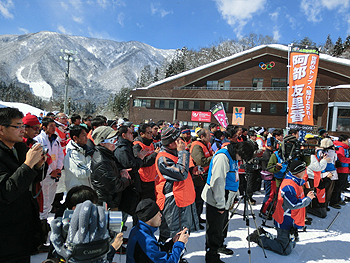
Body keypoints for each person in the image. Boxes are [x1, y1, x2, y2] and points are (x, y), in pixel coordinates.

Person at [0, 107, 46, 262]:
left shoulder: (19, 148)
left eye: (23, 126)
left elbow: (32, 179)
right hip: (5, 234)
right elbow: (7, 191)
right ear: (1, 129)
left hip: (22, 230)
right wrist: (27, 165)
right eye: (17, 126)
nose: (22, 130)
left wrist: (38, 166)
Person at [202, 137, 255, 263]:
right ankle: (212, 257)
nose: (241, 161)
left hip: (225, 197)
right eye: (242, 158)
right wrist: (220, 205)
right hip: (217, 198)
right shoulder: (223, 157)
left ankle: (219, 246)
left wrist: (234, 196)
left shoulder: (232, 156)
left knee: (221, 226)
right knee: (214, 229)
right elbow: (218, 183)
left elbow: (233, 177)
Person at [247, 160, 315, 255]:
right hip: (284, 220)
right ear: (299, 172)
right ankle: (259, 237)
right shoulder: (288, 186)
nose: (305, 172)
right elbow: (292, 205)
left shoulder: (296, 182)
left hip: (291, 220)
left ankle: (265, 234)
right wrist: (308, 199)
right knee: (285, 250)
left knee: (291, 244)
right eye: (304, 170)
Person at [155, 126, 199, 243]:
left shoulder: (176, 153)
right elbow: (180, 173)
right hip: (173, 203)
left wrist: (192, 169)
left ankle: (179, 257)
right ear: (170, 143)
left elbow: (184, 169)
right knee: (172, 234)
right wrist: (183, 152)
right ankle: (168, 258)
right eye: (177, 139)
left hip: (183, 200)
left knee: (183, 233)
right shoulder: (163, 158)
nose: (181, 141)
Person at [126, 198, 189, 263]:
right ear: (149, 218)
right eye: (157, 213)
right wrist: (179, 244)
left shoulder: (140, 230)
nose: (161, 215)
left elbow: (156, 251)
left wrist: (172, 243)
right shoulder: (145, 240)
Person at [91, 126, 131, 210]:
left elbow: (110, 173)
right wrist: (125, 179)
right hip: (107, 203)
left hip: (111, 200)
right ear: (102, 143)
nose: (115, 143)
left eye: (116, 139)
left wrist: (119, 171)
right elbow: (115, 186)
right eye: (112, 140)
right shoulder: (101, 161)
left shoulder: (107, 154)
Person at [34, 117, 64, 221]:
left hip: (55, 175)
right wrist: (51, 172)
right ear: (44, 127)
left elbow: (60, 155)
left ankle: (45, 220)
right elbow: (41, 158)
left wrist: (59, 169)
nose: (53, 128)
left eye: (54, 126)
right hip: (44, 175)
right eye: (51, 126)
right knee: (44, 201)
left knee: (50, 200)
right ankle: (41, 221)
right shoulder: (38, 139)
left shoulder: (56, 140)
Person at [189, 128, 214, 229]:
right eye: (208, 135)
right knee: (197, 200)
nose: (210, 137)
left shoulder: (206, 145)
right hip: (197, 177)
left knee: (200, 199)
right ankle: (194, 221)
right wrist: (214, 157)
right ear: (202, 136)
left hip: (204, 176)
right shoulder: (197, 146)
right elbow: (201, 162)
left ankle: (198, 217)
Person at [133, 123, 160, 200]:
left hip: (152, 177)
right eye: (149, 132)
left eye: (151, 132)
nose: (151, 134)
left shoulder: (150, 142)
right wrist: (155, 154)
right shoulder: (137, 145)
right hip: (143, 179)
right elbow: (142, 162)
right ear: (141, 134)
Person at [64, 125, 93, 191]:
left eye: (86, 135)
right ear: (75, 138)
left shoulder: (85, 149)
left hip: (87, 188)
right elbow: (81, 173)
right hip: (78, 189)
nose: (86, 138)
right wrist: (95, 166)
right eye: (83, 135)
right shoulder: (72, 153)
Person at [332, 134, 350, 205]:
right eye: (347, 140)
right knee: (338, 186)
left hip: (344, 169)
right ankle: (334, 201)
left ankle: (338, 199)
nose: (348, 142)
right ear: (343, 141)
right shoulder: (340, 147)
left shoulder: (344, 147)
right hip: (341, 169)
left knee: (341, 186)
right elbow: (341, 158)